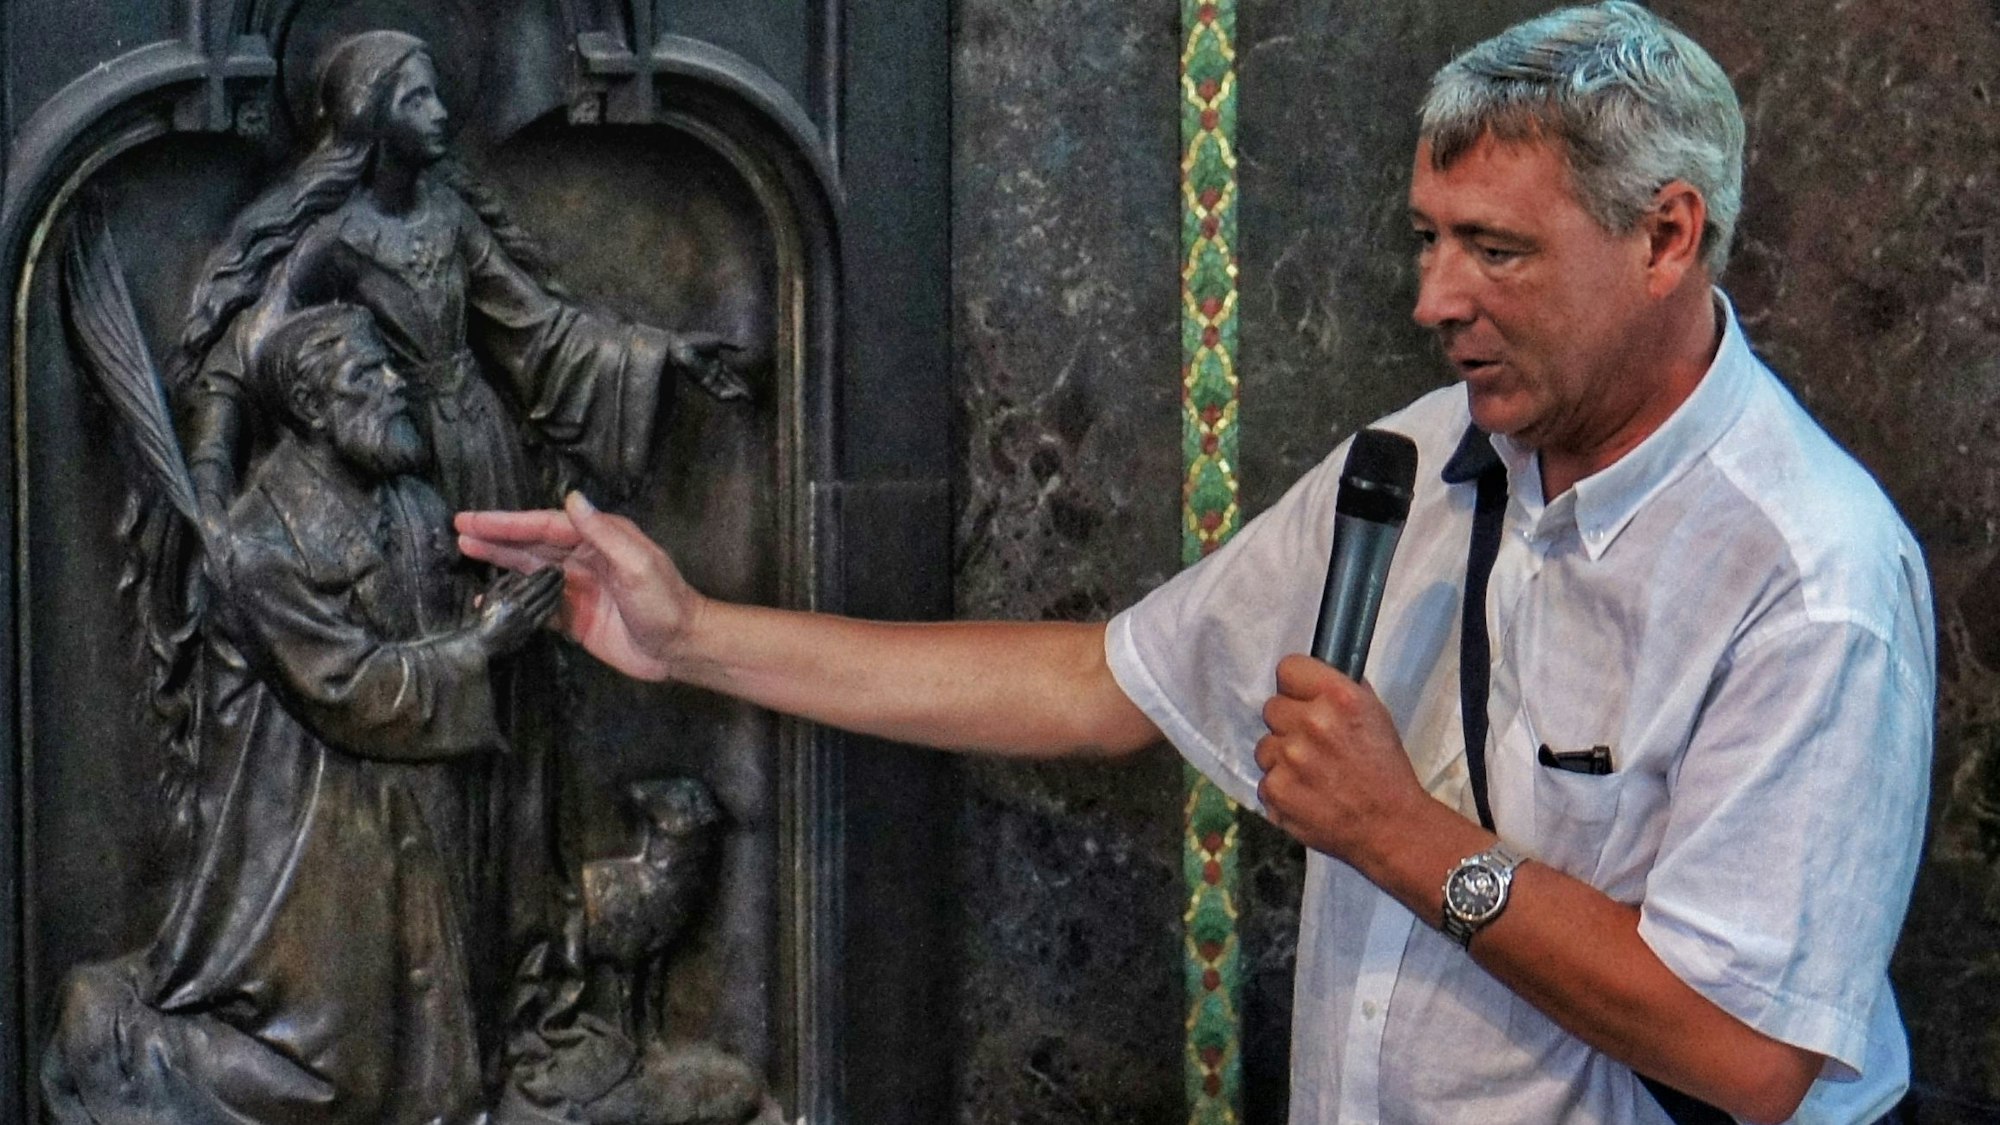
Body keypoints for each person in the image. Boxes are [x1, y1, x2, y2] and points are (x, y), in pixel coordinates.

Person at [456, 4, 1933, 1123]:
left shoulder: (1809, 579)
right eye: (1426, 239)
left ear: (1668, 236)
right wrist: (693, 631)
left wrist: (1400, 837)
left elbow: (1753, 1056)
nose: (1433, 297)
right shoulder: (1422, 459)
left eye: (1496, 250)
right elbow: (1102, 684)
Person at [44, 306, 563, 1125]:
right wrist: (482, 643)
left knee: (433, 1075)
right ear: (314, 411)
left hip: (405, 829)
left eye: (390, 367)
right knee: (330, 1081)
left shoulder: (413, 501)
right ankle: (115, 1035)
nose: (397, 385)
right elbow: (348, 686)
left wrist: (483, 607)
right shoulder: (262, 545)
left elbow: (424, 611)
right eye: (370, 374)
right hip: (304, 849)